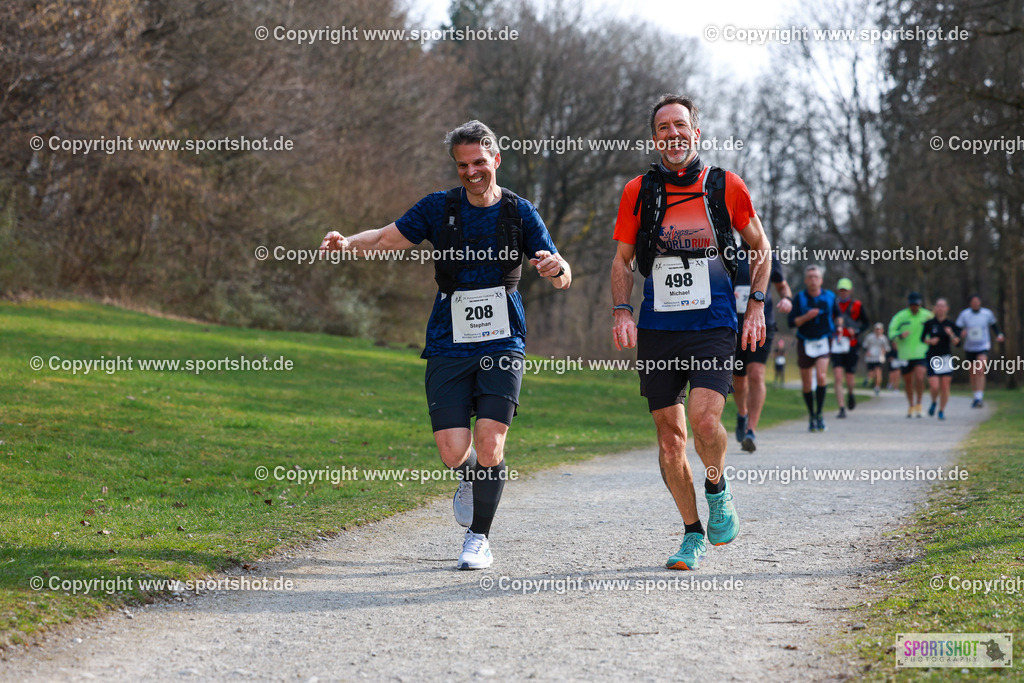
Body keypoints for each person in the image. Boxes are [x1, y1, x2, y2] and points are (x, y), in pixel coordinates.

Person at [320, 121, 571, 570]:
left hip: (503, 338)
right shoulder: (438, 208)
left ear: (495, 159)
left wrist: (555, 268)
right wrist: (347, 243)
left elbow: (562, 274)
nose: (472, 172)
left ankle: (479, 538)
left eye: (479, 162)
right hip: (447, 338)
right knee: (454, 450)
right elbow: (385, 237)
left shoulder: (520, 212)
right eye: (462, 165)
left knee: (492, 440)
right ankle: (469, 475)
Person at [610, 94, 771, 571]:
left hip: (713, 323)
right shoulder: (637, 191)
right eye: (663, 128)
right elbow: (621, 260)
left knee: (704, 421)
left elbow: (760, 248)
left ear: (695, 133)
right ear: (654, 137)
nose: (673, 134)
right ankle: (691, 534)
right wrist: (622, 309)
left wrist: (757, 305)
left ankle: (717, 488)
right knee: (669, 439)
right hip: (659, 326)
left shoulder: (726, 185)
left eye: (681, 125)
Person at [731, 243, 792, 452]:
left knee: (756, 373)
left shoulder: (770, 257)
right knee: (738, 381)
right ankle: (742, 413)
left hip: (762, 326)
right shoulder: (730, 254)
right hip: (735, 328)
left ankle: (751, 430)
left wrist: (786, 299)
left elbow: (782, 286)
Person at [788, 265, 837, 432]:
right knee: (807, 382)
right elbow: (791, 322)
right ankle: (811, 415)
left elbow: (838, 316)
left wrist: (841, 326)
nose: (813, 279)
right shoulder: (799, 298)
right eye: (810, 277)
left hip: (824, 340)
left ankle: (820, 413)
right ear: (805, 280)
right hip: (805, 341)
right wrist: (806, 317)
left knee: (822, 376)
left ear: (821, 280)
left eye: (816, 277)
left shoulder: (830, 296)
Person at [888, 292, 933, 418]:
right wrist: (899, 336)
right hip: (905, 353)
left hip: (922, 352)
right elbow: (891, 332)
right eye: (912, 305)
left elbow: (934, 330)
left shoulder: (927, 315)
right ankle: (911, 405)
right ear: (908, 304)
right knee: (908, 381)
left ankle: (919, 403)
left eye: (916, 305)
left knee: (919, 377)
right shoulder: (900, 316)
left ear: (920, 304)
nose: (914, 307)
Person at [955, 295, 1004, 408]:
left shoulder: (987, 314)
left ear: (980, 303)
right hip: (969, 347)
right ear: (970, 303)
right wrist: (960, 334)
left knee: (980, 370)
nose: (976, 304)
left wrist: (999, 335)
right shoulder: (965, 314)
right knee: (972, 373)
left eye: (977, 302)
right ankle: (975, 395)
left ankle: (979, 397)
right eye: (973, 302)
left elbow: (994, 326)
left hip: (983, 346)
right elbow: (957, 329)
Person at [832, 278, 869, 413]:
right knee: (837, 375)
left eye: (845, 290)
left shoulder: (857, 305)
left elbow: (866, 323)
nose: (843, 293)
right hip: (836, 343)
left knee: (849, 377)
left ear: (850, 291)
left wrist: (857, 330)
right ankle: (841, 407)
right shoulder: (832, 303)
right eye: (841, 290)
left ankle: (851, 393)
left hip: (852, 344)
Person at [923, 298, 960, 420]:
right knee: (934, 386)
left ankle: (941, 410)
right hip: (932, 357)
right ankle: (934, 401)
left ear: (947, 308)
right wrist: (930, 341)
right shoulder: (929, 323)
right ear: (935, 308)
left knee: (945, 386)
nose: (940, 308)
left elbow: (957, 343)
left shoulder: (951, 324)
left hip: (946, 358)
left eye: (943, 306)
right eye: (938, 306)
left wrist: (951, 334)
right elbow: (922, 338)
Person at [861, 323, 891, 396]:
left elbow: (887, 348)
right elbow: (864, 346)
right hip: (870, 358)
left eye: (879, 329)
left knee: (878, 372)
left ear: (882, 330)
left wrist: (884, 350)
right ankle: (868, 378)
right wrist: (867, 352)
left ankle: (877, 387)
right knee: (871, 372)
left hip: (879, 358)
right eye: (876, 329)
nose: (878, 331)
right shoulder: (869, 337)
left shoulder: (883, 338)